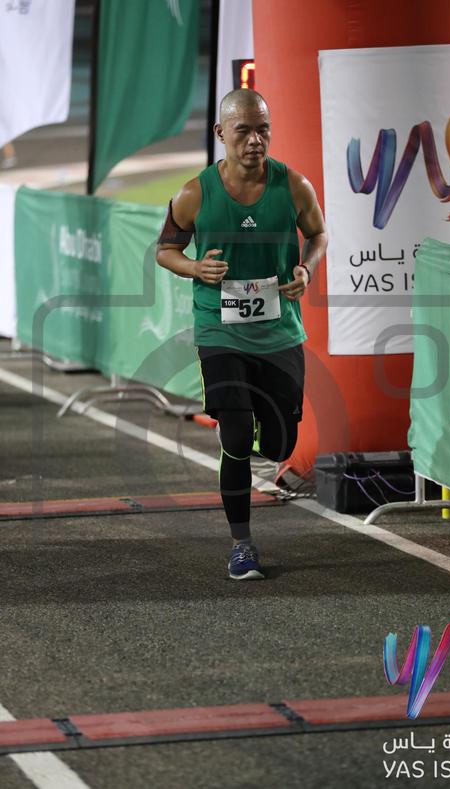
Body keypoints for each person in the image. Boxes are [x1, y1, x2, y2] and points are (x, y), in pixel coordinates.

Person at [156, 89, 327, 580]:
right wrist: (195, 268)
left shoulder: (294, 186)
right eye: (244, 131)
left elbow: (319, 235)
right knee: (235, 436)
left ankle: (256, 432)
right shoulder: (195, 193)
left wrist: (306, 269)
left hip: (279, 332)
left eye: (263, 130)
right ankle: (242, 545)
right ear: (221, 134)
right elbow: (165, 250)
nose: (255, 140)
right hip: (220, 330)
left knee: (279, 445)